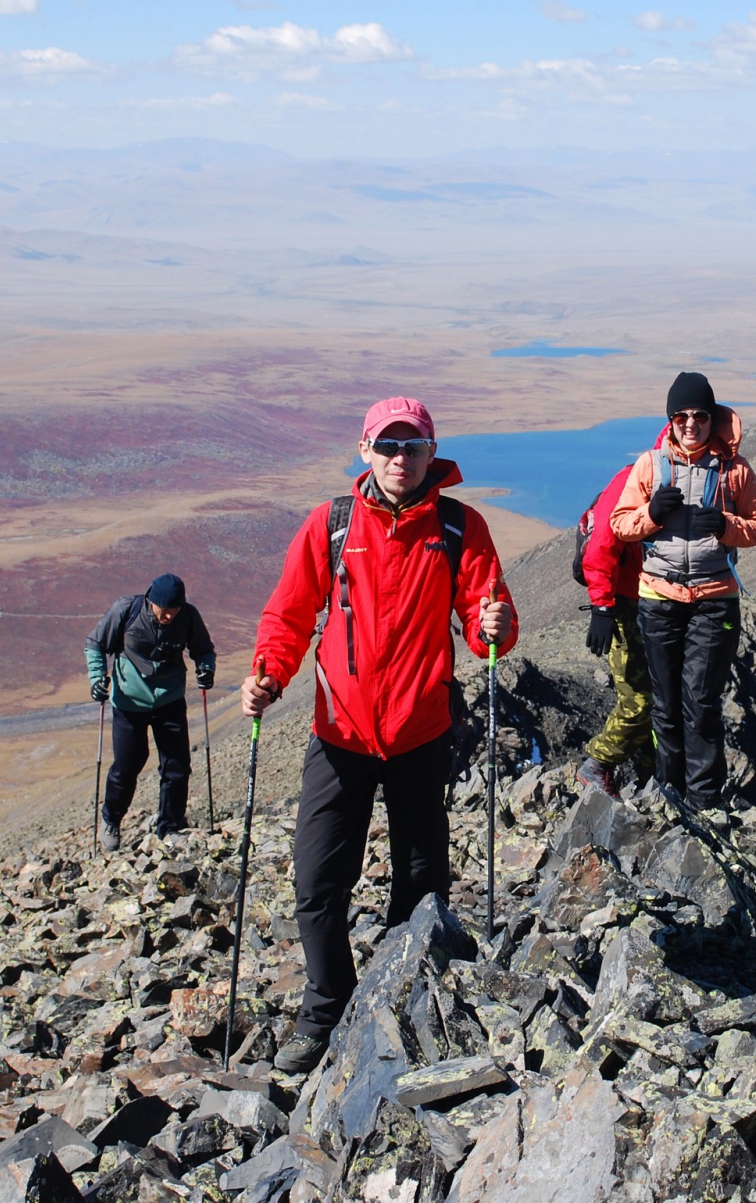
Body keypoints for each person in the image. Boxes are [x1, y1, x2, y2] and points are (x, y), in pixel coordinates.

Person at [242, 397, 517, 1074]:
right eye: (387, 447)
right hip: (339, 732)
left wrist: (495, 625)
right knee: (316, 879)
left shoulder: (456, 527)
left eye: (412, 447)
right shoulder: (332, 525)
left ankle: (402, 996)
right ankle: (324, 1007)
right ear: (364, 450)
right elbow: (289, 613)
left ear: (432, 452)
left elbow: (492, 614)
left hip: (421, 731)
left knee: (422, 883)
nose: (400, 459)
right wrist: (267, 676)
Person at [610, 371, 756, 810]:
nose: (690, 424)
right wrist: (651, 514)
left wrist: (724, 525)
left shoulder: (734, 470)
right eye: (681, 416)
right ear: (671, 419)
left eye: (700, 415)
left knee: (700, 702)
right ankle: (670, 794)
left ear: (711, 417)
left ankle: (704, 801)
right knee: (666, 704)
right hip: (659, 599)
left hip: (714, 598)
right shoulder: (650, 465)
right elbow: (620, 525)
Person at [84, 573, 217, 850]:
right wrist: (97, 678)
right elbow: (96, 644)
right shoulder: (126, 610)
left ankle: (170, 826)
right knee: (127, 766)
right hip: (129, 703)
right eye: (163, 610)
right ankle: (111, 820)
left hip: (170, 700)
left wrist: (206, 670)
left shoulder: (188, 617)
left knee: (177, 767)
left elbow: (204, 650)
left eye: (174, 610)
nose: (168, 616)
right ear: (150, 601)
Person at [577, 463, 652, 797]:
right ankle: (596, 764)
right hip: (627, 603)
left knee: (668, 697)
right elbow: (600, 546)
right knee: (640, 699)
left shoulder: (705, 474)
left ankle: (655, 777)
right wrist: (603, 608)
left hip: (667, 603)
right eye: (682, 418)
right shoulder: (640, 474)